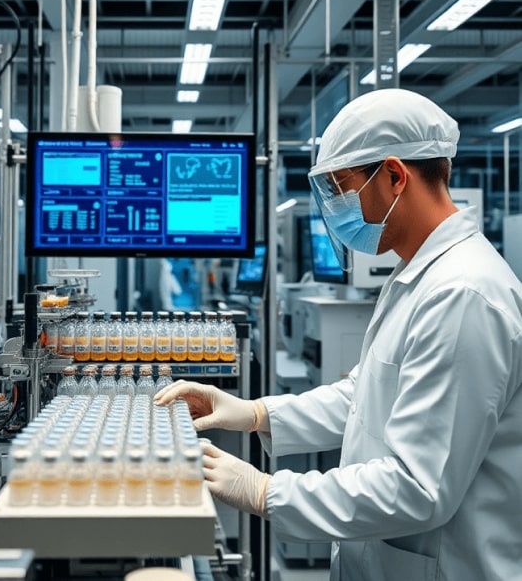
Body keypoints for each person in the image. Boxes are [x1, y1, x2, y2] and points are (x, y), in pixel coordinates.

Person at [155, 88, 522, 581]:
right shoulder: (417, 274)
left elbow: (417, 488)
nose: (333, 208)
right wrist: (255, 412)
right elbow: (367, 396)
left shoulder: (464, 294)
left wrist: (265, 491)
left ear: (394, 176)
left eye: (340, 189)